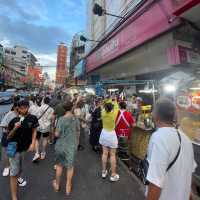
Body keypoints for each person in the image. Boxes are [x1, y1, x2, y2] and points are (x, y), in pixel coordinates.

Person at [146, 98, 196, 200]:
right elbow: (190, 175)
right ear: (174, 116)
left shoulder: (158, 138)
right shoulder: (186, 139)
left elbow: (155, 182)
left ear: (155, 116)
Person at [7, 100, 39, 200]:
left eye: (25, 107)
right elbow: (8, 137)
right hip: (14, 150)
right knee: (13, 174)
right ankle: (14, 196)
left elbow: (34, 131)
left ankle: (17, 179)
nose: (23, 109)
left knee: (19, 170)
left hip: (24, 150)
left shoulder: (32, 118)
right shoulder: (13, 119)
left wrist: (33, 143)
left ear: (28, 107)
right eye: (21, 108)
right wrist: (15, 128)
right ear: (18, 108)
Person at [53, 101, 80, 196]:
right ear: (72, 107)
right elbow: (78, 132)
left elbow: (56, 134)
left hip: (60, 145)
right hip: (71, 146)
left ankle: (57, 184)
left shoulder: (61, 119)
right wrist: (77, 143)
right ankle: (68, 186)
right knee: (70, 167)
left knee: (59, 165)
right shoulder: (75, 119)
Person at [99, 101, 120, 182]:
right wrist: (113, 100)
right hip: (111, 134)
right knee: (112, 155)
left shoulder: (103, 112)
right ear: (111, 108)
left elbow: (102, 105)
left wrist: (106, 102)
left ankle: (104, 172)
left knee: (104, 153)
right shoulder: (114, 114)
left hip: (104, 133)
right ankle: (113, 174)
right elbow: (116, 105)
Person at [32, 97, 54, 162]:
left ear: (43, 101)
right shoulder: (51, 109)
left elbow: (35, 116)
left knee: (37, 139)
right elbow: (51, 118)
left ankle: (37, 153)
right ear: (49, 101)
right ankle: (43, 152)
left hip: (38, 125)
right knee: (45, 139)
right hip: (46, 126)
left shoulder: (39, 108)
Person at [0, 103, 19, 177]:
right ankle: (7, 167)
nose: (18, 108)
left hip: (17, 137)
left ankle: (13, 166)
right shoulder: (9, 114)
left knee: (14, 152)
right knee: (5, 152)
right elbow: (2, 125)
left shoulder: (21, 115)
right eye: (17, 107)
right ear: (14, 107)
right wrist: (10, 130)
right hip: (7, 135)